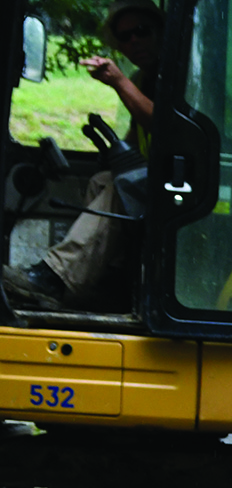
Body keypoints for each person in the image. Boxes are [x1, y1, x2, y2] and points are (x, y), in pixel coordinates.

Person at [4, 0, 161, 310]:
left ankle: (54, 277)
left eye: (142, 32)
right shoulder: (147, 79)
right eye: (124, 37)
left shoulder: (180, 79)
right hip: (161, 181)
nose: (133, 42)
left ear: (163, 31)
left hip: (193, 183)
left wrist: (119, 81)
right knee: (105, 180)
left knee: (122, 188)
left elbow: (166, 125)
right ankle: (111, 282)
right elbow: (136, 135)